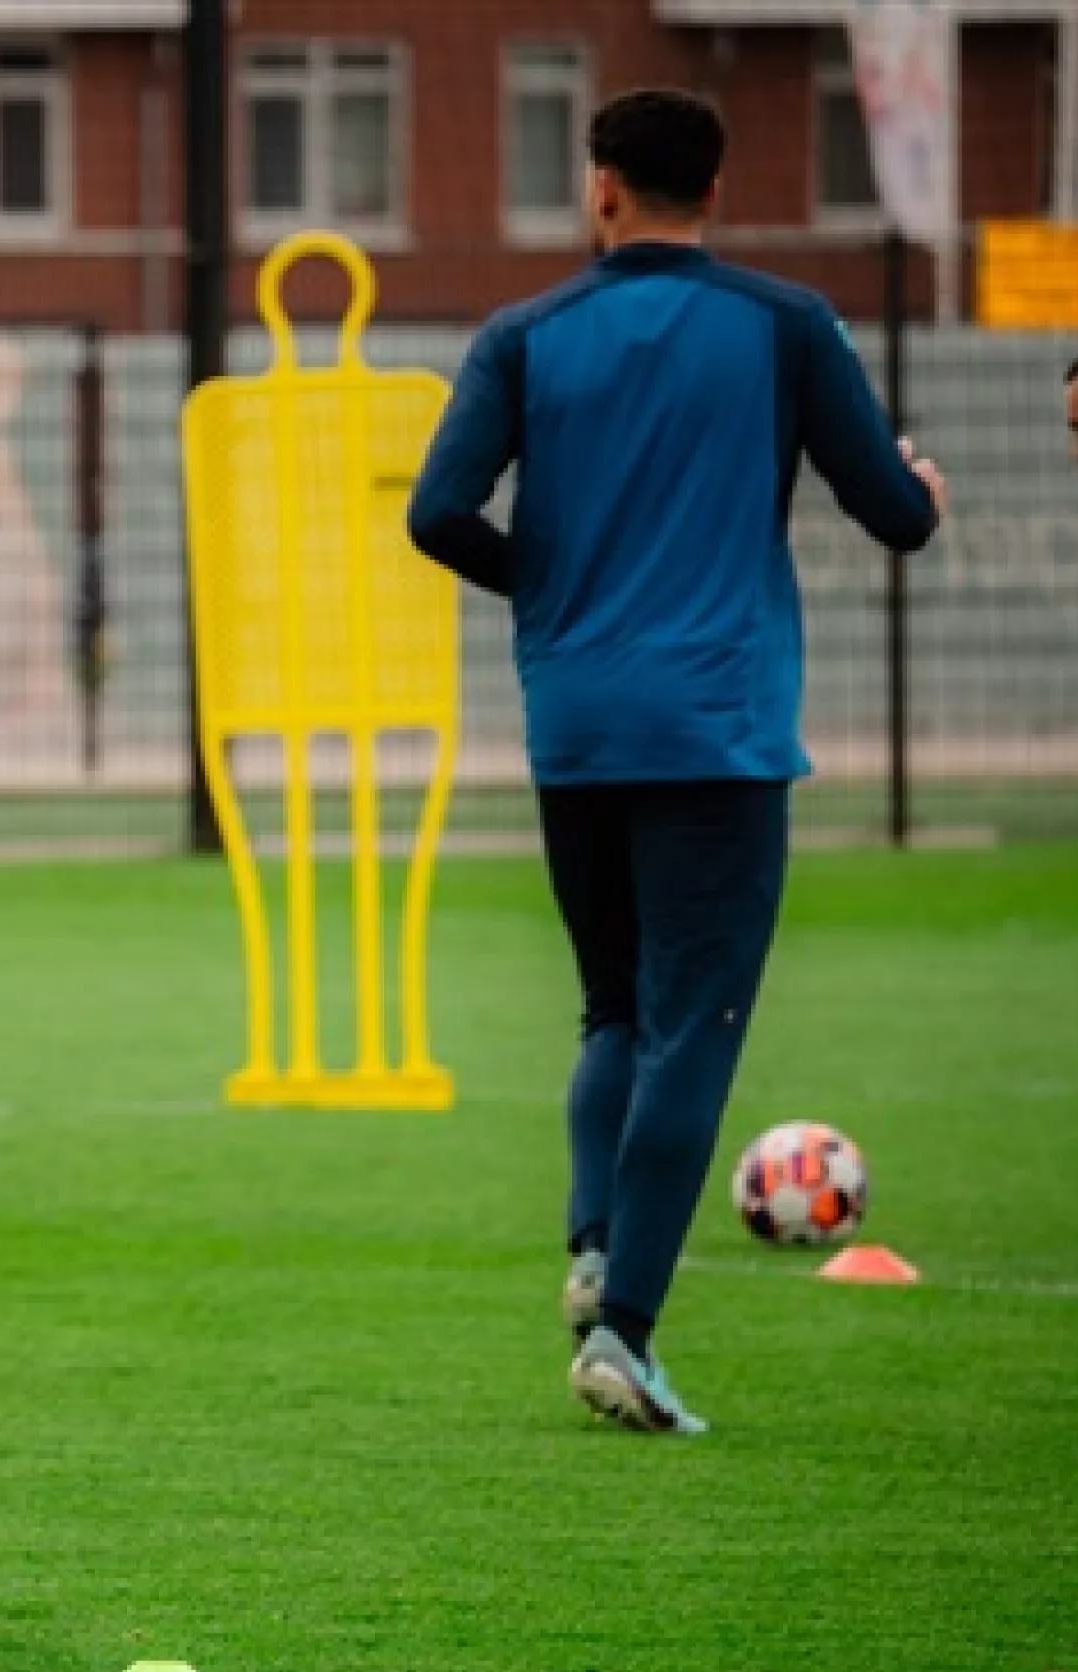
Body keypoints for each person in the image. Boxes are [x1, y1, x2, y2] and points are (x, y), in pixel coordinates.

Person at [408, 89, 947, 1434]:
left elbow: (435, 514)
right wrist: (922, 488)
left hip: (579, 722)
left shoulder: (524, 336)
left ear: (600, 190)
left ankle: (594, 1242)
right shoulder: (785, 326)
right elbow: (892, 514)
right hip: (718, 725)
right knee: (695, 1024)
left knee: (613, 1008)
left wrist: (547, 583)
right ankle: (626, 1331)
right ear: (716, 192)